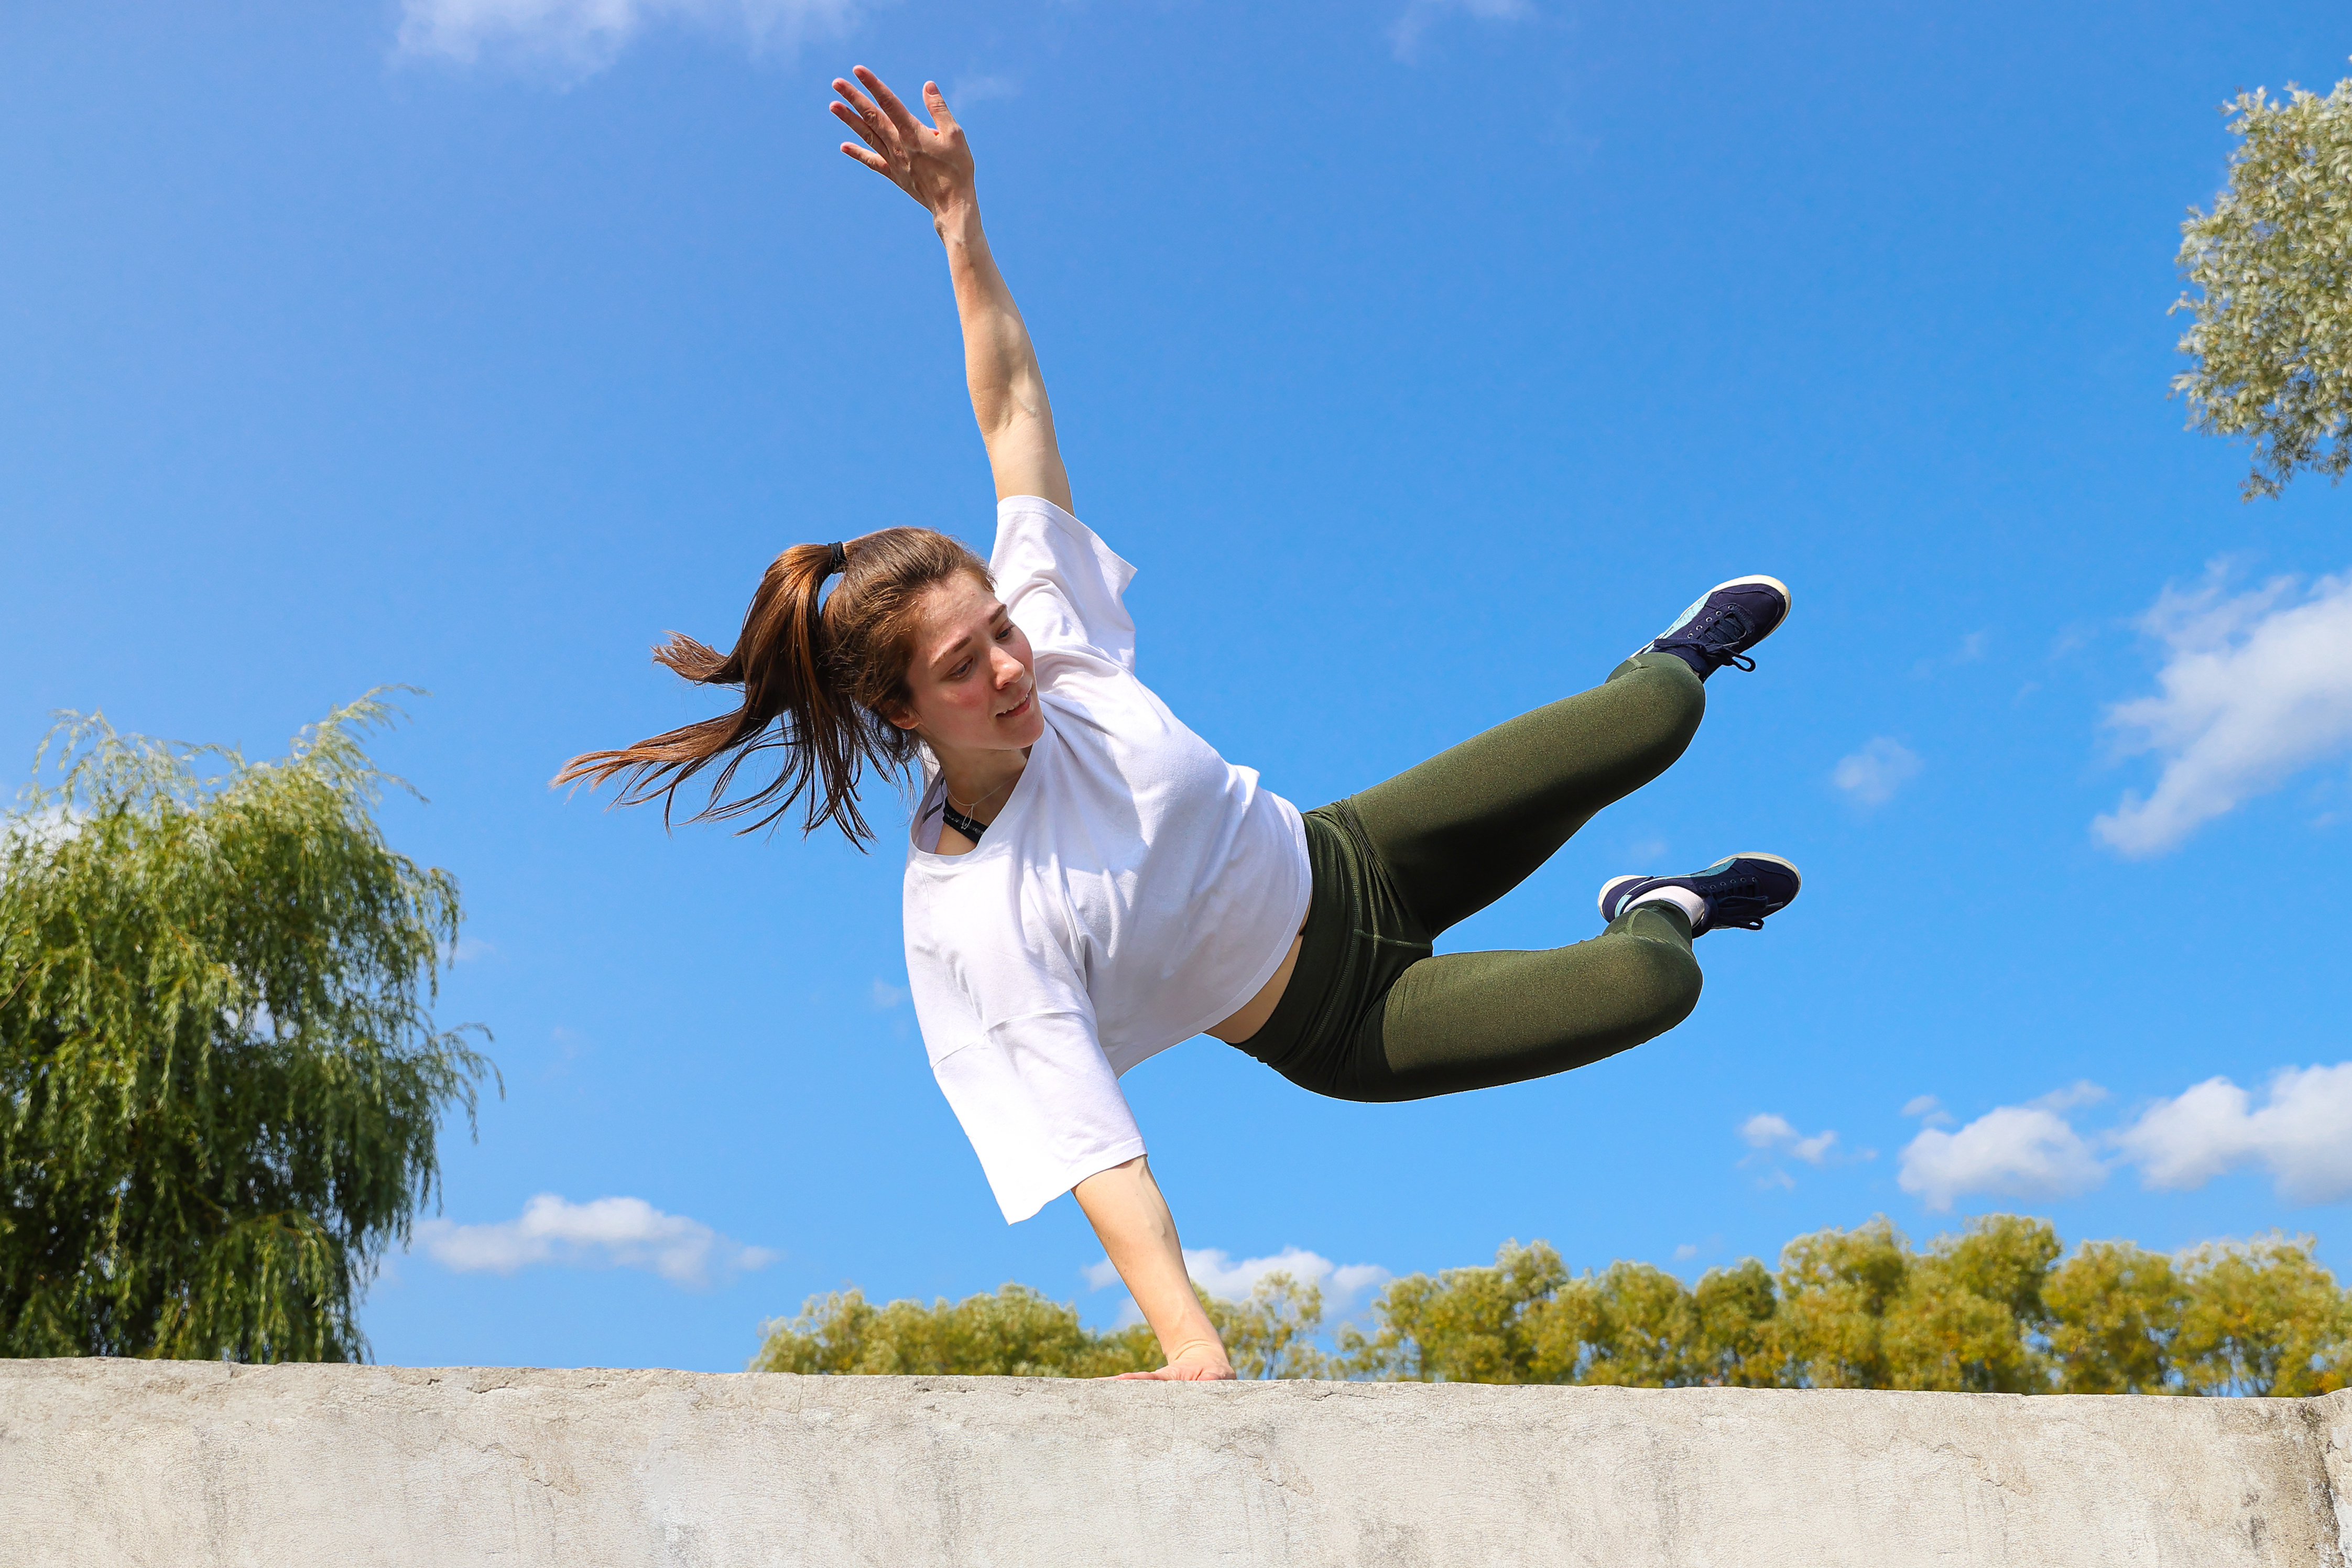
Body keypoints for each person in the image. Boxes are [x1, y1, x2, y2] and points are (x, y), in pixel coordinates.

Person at [558, 67, 1803, 1382]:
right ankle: (1660, 904)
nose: (1009, 668)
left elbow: (1012, 412)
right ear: (898, 708)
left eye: (1000, 628)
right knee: (1658, 983)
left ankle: (1669, 661)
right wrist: (1190, 1341)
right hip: (1351, 1019)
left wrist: (957, 222)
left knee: (1661, 711)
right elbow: (1094, 1142)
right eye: (964, 668)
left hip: (1359, 851)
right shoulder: (972, 922)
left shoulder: (1060, 644)